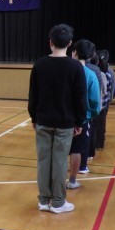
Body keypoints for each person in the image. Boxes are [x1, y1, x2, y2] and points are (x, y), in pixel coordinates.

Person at [28, 24, 87, 214]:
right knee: (60, 161)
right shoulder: (75, 66)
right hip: (65, 123)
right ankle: (58, 202)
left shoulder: (40, 64)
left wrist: (34, 117)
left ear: (50, 43)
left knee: (43, 161)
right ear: (70, 44)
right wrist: (80, 121)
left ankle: (44, 200)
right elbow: (80, 97)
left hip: (43, 121)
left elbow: (33, 95)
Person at [67, 39, 101, 190]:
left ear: (74, 52)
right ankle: (72, 181)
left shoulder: (65, 71)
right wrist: (90, 115)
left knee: (60, 151)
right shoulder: (90, 75)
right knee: (76, 150)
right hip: (82, 120)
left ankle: (56, 182)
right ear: (90, 55)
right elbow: (95, 101)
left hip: (62, 117)